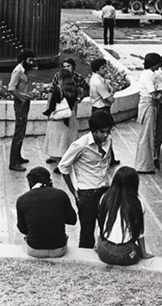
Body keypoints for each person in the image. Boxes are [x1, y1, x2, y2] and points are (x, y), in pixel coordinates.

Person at [58, 111, 116, 249]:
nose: (106, 135)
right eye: (102, 132)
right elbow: (63, 167)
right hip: (87, 193)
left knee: (107, 228)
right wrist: (74, 192)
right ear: (94, 131)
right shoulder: (80, 145)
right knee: (87, 233)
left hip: (105, 190)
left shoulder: (108, 140)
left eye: (108, 132)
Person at [96, 166, 154, 266]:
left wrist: (98, 245)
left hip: (104, 252)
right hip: (127, 255)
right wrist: (144, 253)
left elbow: (100, 224)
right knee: (135, 251)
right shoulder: (137, 202)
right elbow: (140, 232)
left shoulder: (104, 198)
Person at [16, 166, 77, 258]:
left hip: (34, 249)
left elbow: (22, 228)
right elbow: (72, 220)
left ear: (30, 182)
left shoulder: (22, 199)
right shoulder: (61, 194)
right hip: (59, 249)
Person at [43, 68, 80, 168]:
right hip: (69, 117)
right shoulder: (73, 89)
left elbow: (52, 105)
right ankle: (65, 160)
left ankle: (59, 162)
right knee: (66, 140)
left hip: (58, 120)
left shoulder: (58, 90)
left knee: (57, 140)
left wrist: (48, 115)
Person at [8, 49, 35, 172]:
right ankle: (13, 162)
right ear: (24, 60)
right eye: (30, 60)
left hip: (24, 103)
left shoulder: (23, 70)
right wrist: (22, 99)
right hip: (20, 104)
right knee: (19, 132)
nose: (32, 62)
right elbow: (11, 88)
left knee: (22, 131)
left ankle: (17, 157)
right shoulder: (18, 71)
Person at [135, 53, 161, 174]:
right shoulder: (147, 75)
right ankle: (143, 165)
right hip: (148, 105)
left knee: (149, 134)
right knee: (146, 135)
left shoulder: (151, 74)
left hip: (150, 105)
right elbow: (154, 94)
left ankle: (146, 163)